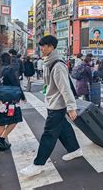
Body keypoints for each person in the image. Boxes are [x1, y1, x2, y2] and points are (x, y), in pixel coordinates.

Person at [20, 35, 82, 177]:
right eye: (41, 45)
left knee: (49, 134)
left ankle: (38, 164)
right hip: (53, 103)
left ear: (51, 47)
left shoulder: (57, 65)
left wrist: (71, 107)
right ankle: (75, 149)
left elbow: (65, 88)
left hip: (57, 105)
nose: (41, 48)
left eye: (44, 46)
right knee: (63, 129)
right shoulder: (49, 62)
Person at [0, 52, 24, 151]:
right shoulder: (9, 69)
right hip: (10, 99)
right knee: (14, 120)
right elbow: (15, 83)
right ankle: (2, 139)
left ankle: (2, 143)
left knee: (2, 121)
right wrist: (22, 96)